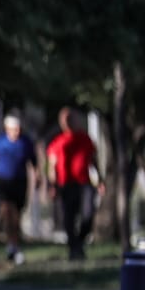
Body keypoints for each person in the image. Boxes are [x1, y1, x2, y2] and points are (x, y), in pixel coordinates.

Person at [47, 107, 104, 261]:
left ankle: (79, 242)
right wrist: (52, 185)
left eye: (71, 118)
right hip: (66, 185)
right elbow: (52, 166)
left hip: (84, 183)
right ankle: (74, 248)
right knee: (69, 218)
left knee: (88, 214)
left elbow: (93, 160)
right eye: (66, 119)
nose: (69, 122)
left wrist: (100, 180)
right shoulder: (57, 142)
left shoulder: (85, 139)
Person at [0, 114, 41, 264]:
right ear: (7, 129)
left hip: (20, 182)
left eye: (19, 129)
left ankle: (14, 244)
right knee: (8, 212)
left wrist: (37, 176)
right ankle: (12, 246)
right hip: (4, 182)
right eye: (14, 129)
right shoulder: (0, 143)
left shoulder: (25, 142)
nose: (17, 132)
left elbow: (33, 162)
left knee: (17, 215)